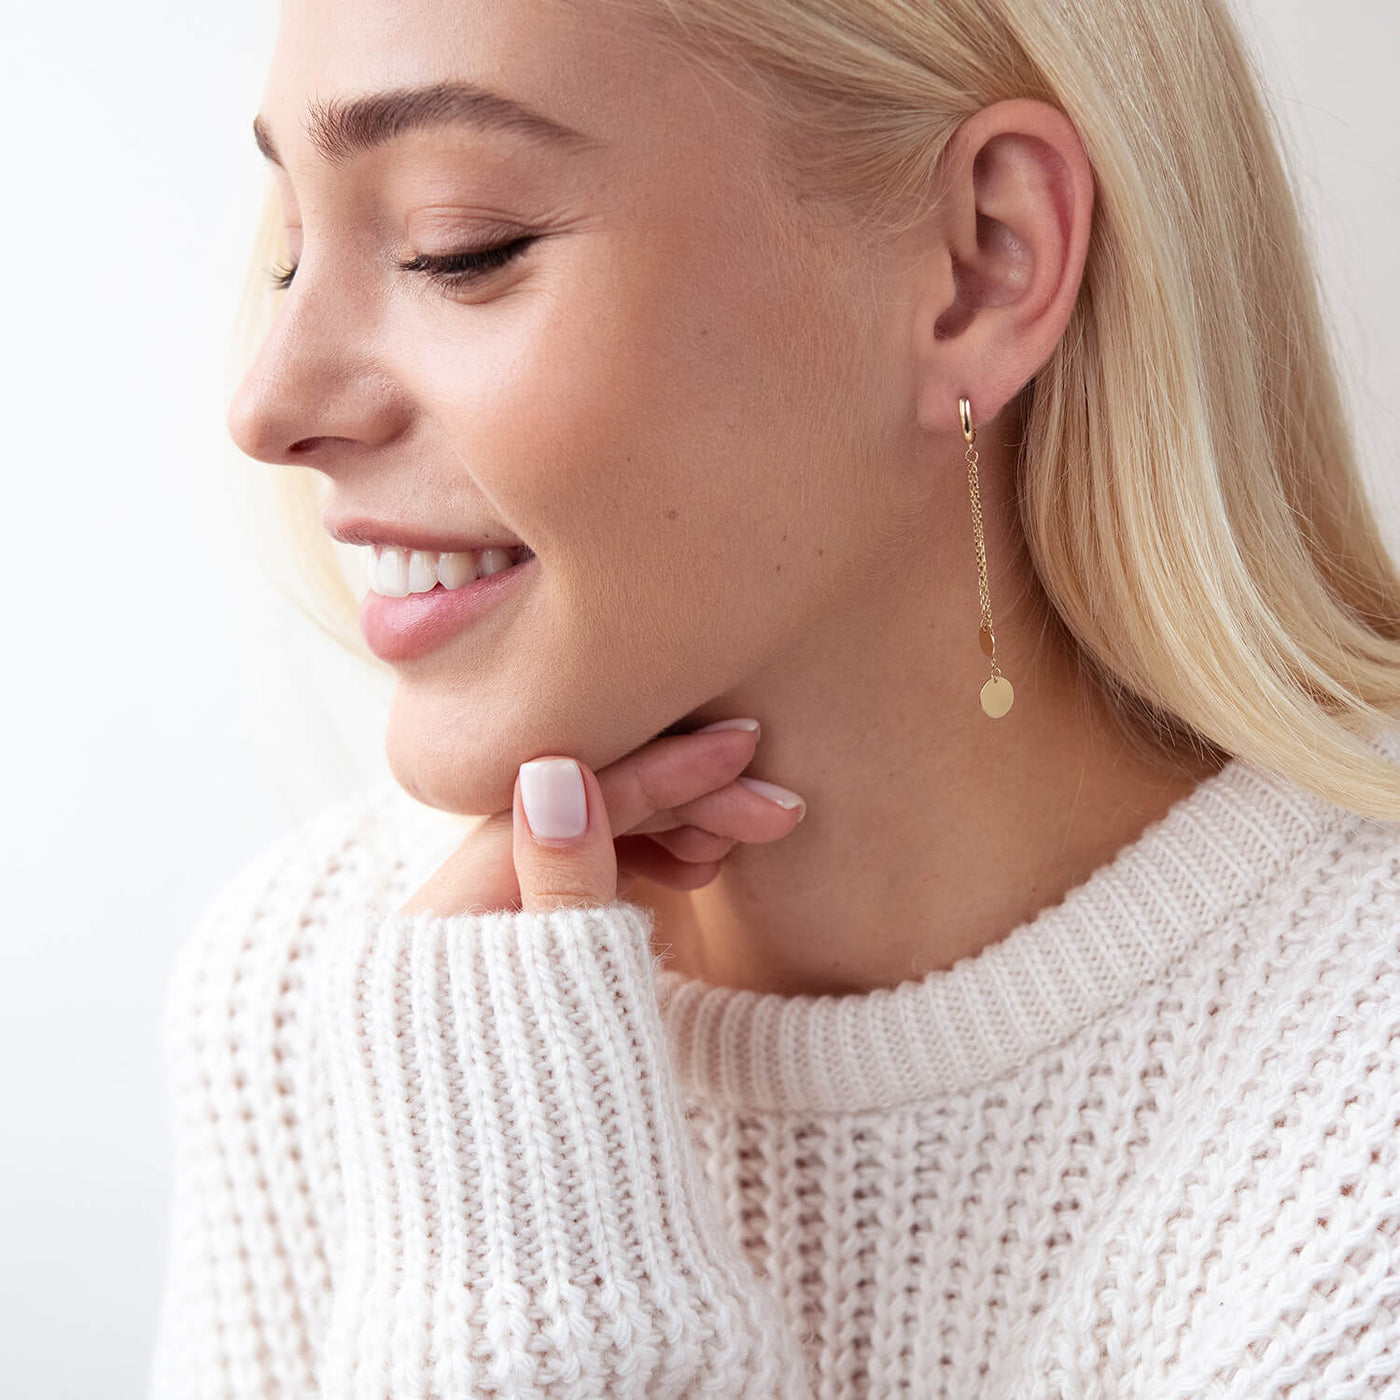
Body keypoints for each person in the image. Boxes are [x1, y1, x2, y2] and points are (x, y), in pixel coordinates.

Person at [148, 0, 1400, 1394]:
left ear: (984, 264)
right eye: (291, 252)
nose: (269, 404)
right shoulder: (328, 976)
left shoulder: (1357, 1125)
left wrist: (535, 1322)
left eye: (459, 247)